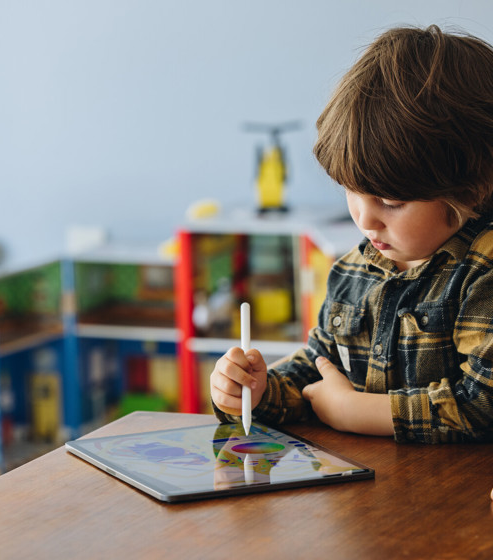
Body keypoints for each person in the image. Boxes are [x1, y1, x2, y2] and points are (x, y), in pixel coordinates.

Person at [210, 25, 493, 444]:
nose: (365, 220)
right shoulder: (355, 268)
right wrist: (256, 391)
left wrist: (356, 412)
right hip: (368, 493)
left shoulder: (481, 272)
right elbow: (319, 370)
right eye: (350, 191)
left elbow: (481, 406)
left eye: (391, 201)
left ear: (470, 189)